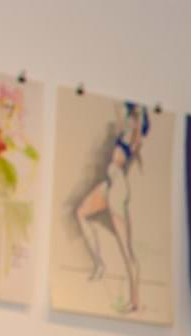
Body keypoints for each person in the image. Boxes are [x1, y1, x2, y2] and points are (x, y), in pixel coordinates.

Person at [74, 102, 149, 312]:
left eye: (130, 116)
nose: (126, 118)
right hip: (109, 185)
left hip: (116, 189)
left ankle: (134, 301)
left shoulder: (132, 137)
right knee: (81, 212)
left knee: (126, 249)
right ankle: (99, 264)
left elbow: (135, 123)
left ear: (135, 120)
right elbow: (120, 111)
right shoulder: (125, 132)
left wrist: (140, 114)